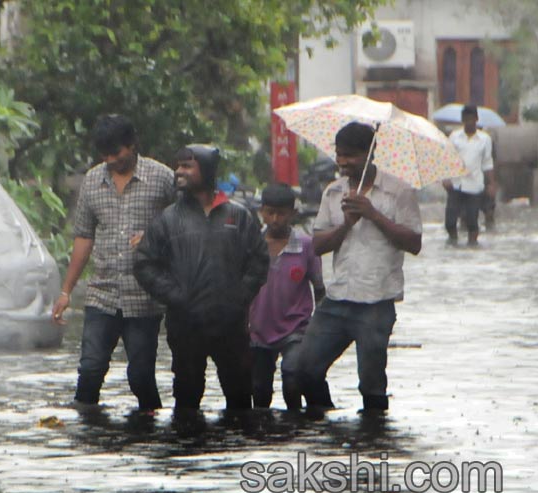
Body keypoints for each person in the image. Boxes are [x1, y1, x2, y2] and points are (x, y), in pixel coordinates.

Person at [51, 114, 175, 412]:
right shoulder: (93, 180)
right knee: (90, 370)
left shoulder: (162, 178)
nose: (111, 160)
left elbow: (183, 226)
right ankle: (88, 436)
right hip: (102, 292)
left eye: (116, 153)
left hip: (144, 295)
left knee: (141, 376)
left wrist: (152, 238)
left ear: (132, 145)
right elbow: (83, 237)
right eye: (105, 155)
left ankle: (151, 431)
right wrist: (66, 291)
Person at [296, 122, 422, 414]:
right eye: (339, 155)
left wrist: (372, 213)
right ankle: (326, 428)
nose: (342, 162)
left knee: (371, 383)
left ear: (370, 153)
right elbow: (318, 245)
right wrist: (347, 224)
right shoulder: (333, 193)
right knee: (305, 370)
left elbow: (414, 243)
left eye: (350, 155)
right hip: (337, 299)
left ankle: (373, 440)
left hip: (377, 301)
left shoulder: (398, 192)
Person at [134, 145, 268, 416]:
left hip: (231, 323)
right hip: (185, 324)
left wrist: (239, 297)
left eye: (187, 166)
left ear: (206, 170)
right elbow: (144, 263)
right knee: (187, 396)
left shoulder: (238, 216)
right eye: (178, 166)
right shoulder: (168, 219)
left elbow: (259, 261)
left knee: (240, 395)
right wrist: (176, 297)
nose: (179, 172)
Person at [249, 183, 330, 412]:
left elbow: (319, 288)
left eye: (282, 213)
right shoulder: (251, 244)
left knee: (293, 379)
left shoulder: (305, 245)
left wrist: (317, 328)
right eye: (269, 213)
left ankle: (294, 426)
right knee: (259, 389)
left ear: (292, 213)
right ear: (261, 212)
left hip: (296, 328)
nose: (275, 219)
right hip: (257, 329)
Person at [443, 104, 495, 246]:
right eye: (466, 119)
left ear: (477, 119)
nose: (469, 122)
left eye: (471, 119)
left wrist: (490, 184)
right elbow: (447, 158)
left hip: (475, 185)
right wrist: (445, 178)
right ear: (462, 120)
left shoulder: (485, 139)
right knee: (450, 221)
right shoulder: (454, 137)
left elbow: (487, 163)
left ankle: (472, 245)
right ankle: (453, 243)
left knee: (472, 222)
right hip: (456, 184)